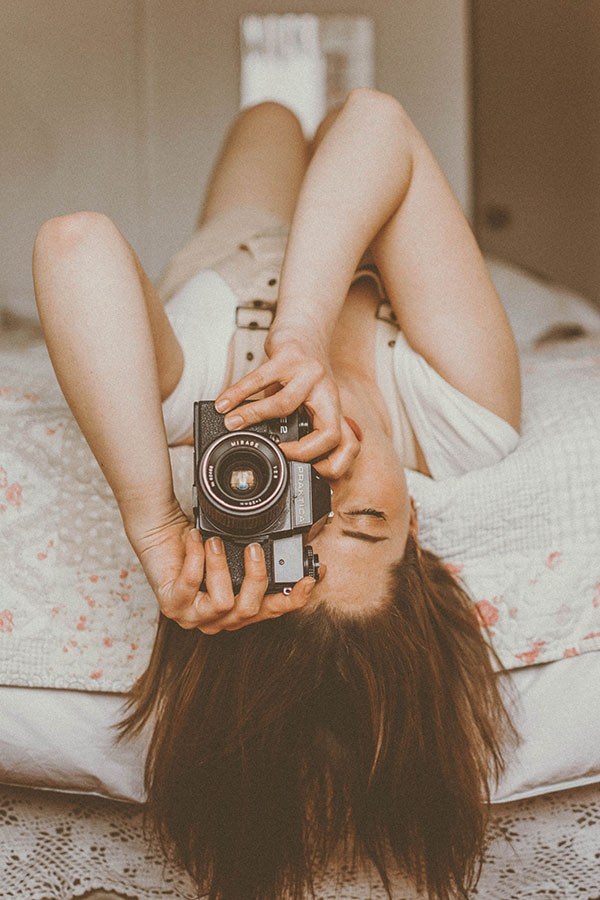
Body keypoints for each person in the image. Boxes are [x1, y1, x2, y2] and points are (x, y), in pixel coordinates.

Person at [32, 90, 521, 900]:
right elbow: (378, 123)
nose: (329, 486)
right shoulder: (460, 419)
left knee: (264, 117)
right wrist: (297, 332)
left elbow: (72, 243)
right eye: (363, 522)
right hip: (372, 223)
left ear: (240, 529)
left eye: (300, 531)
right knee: (341, 129)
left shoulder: (206, 417)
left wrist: (152, 519)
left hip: (237, 240)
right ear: (414, 523)